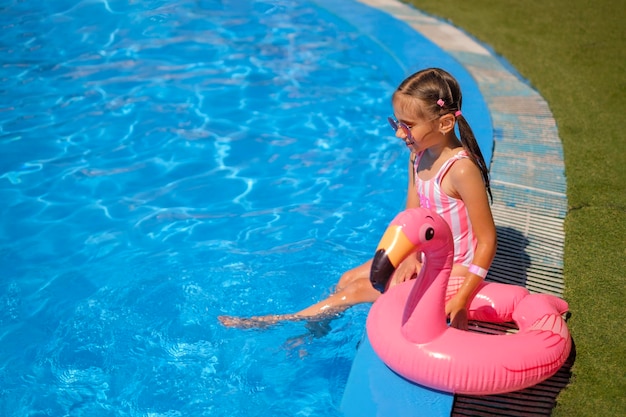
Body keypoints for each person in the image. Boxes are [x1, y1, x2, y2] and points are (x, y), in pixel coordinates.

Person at [219, 68, 496, 330]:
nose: (400, 133)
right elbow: (412, 215)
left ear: (445, 123)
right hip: (423, 259)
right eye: (397, 124)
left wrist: (462, 299)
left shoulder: (461, 169)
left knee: (357, 290)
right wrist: (410, 256)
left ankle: (282, 321)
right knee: (346, 279)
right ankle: (315, 328)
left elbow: (487, 241)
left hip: (452, 271)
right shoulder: (418, 154)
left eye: (408, 126)